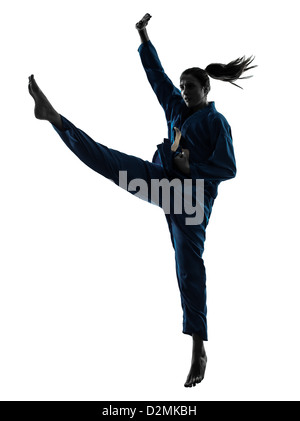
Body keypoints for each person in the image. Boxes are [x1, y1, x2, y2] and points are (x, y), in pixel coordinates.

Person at [28, 13, 256, 387]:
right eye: (183, 86)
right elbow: (158, 79)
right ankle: (55, 118)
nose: (184, 91)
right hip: (164, 183)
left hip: (190, 202)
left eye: (191, 87)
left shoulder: (216, 123)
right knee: (110, 163)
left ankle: (198, 348)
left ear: (206, 90)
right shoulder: (176, 110)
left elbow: (228, 167)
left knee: (187, 265)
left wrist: (191, 165)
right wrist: (143, 35)